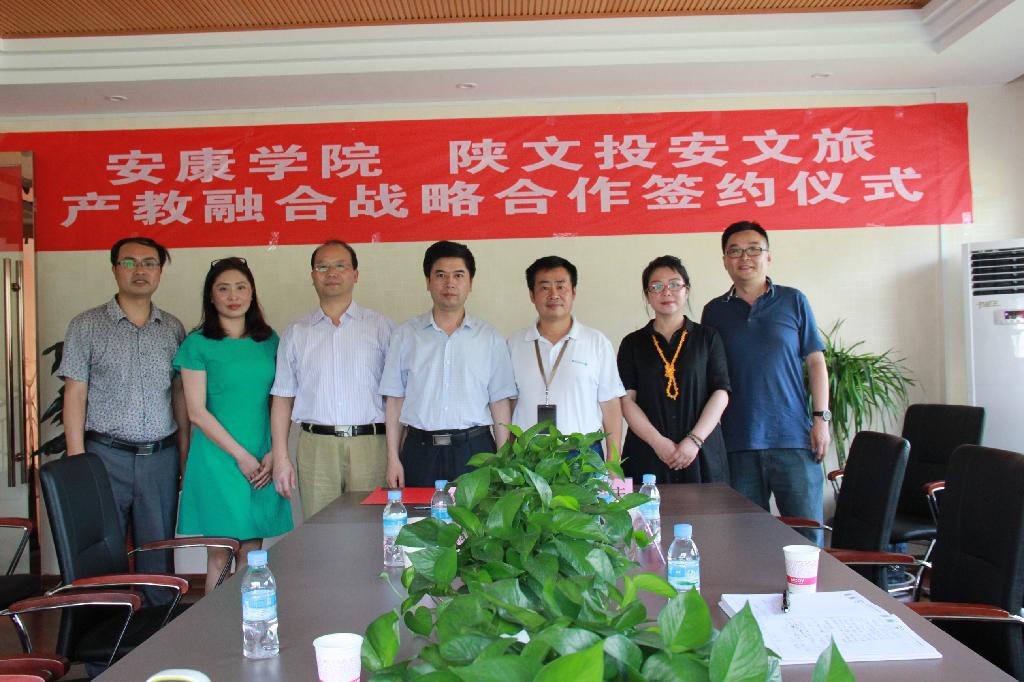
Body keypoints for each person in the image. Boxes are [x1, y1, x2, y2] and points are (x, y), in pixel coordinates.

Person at [58, 236, 188, 604]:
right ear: (115, 269)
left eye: (149, 262)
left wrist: (184, 454)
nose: (139, 270)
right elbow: (75, 393)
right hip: (104, 457)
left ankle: (158, 628)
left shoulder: (172, 328)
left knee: (158, 552)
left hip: (160, 458)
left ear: (160, 271)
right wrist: (78, 462)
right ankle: (105, 633)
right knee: (101, 552)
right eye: (129, 262)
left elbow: (179, 396)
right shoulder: (87, 325)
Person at [701, 221, 830, 543]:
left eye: (753, 249)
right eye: (735, 251)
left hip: (793, 439)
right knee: (745, 540)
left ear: (768, 257)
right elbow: (709, 376)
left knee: (807, 539)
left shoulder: (793, 300)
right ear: (725, 261)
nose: (744, 257)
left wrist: (821, 419)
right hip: (737, 442)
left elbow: (816, 361)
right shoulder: (714, 312)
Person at [174, 257, 293, 594]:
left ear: (252, 293)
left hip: (261, 454)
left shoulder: (269, 341)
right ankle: (215, 622)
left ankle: (248, 618)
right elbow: (196, 412)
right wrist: (241, 456)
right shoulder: (197, 344)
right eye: (223, 289)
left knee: (252, 550)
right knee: (222, 550)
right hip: (218, 459)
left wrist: (275, 451)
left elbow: (280, 400)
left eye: (241, 287)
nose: (233, 296)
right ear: (211, 297)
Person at [270, 240, 394, 520]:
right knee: (319, 529)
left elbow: (396, 397)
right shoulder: (297, 332)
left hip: (371, 445)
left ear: (355, 275)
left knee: (370, 528)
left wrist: (395, 454)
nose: (332, 273)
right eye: (323, 267)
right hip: (316, 447)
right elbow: (282, 398)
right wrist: (280, 457)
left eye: (341, 266)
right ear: (313, 276)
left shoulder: (381, 327)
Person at [381, 240, 516, 488]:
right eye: (441, 275)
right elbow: (395, 401)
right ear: (428, 281)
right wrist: (393, 458)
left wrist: (503, 460)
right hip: (419, 450)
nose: (449, 283)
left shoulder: (490, 338)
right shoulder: (405, 335)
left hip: (474, 450)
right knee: (417, 513)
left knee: (477, 514)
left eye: (458, 275)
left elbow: (499, 402)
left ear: (470, 283)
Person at [617, 255, 730, 483]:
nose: (666, 292)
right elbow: (626, 400)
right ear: (647, 295)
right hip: (647, 452)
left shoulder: (708, 338)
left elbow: (721, 392)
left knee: (708, 507)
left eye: (675, 284)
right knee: (647, 507)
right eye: (657, 286)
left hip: (701, 452)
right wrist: (658, 442)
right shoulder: (632, 343)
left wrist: (694, 441)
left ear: (687, 291)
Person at [507, 256, 624, 456]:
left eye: (561, 286)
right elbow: (510, 403)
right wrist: (508, 455)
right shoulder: (514, 344)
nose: (554, 295)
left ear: (573, 292)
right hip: (529, 452)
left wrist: (613, 462)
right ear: (532, 295)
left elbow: (611, 405)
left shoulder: (596, 342)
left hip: (582, 452)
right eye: (544, 288)